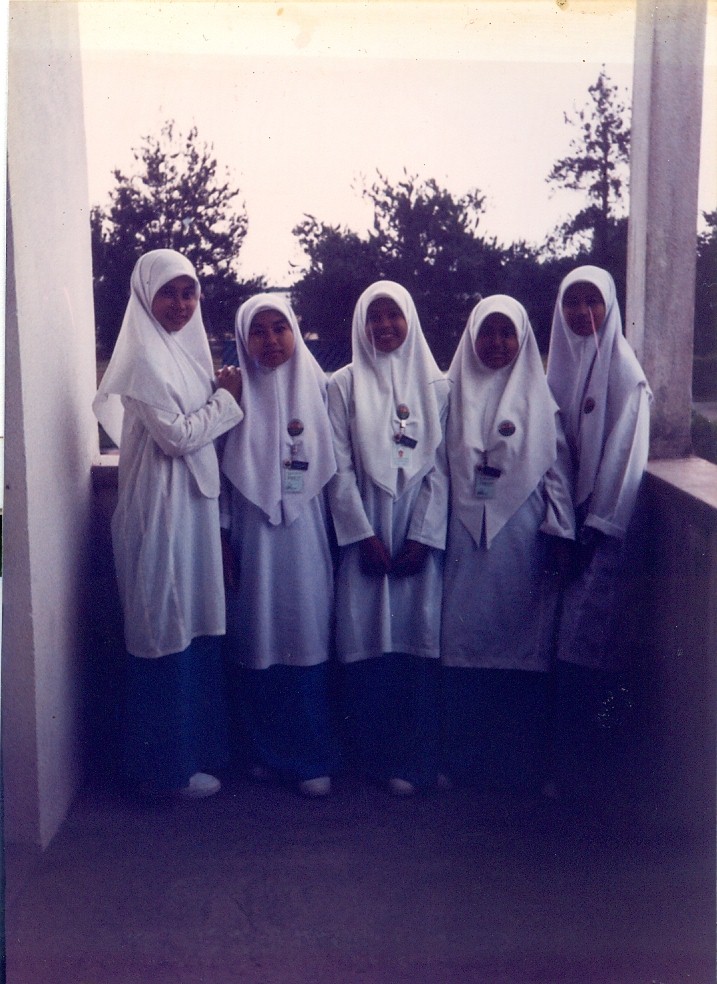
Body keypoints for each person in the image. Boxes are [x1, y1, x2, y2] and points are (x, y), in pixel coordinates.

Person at [93, 249, 243, 800]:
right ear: (144, 296)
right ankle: (162, 772)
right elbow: (177, 436)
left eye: (189, 293)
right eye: (168, 294)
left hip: (193, 509)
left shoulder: (187, 352)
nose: (180, 305)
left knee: (193, 622)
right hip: (158, 512)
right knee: (163, 625)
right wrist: (227, 401)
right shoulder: (142, 360)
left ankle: (192, 756)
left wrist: (218, 396)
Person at [441, 296, 575, 792]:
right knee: (461, 646)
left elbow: (558, 476)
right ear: (471, 336)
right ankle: (460, 760)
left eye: (506, 333)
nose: (496, 343)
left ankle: (519, 764)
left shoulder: (541, 400)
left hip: (523, 539)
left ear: (523, 339)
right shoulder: (449, 395)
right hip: (462, 541)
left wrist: (561, 532)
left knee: (521, 646)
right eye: (487, 332)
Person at [327, 281, 449, 795]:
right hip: (367, 536)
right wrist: (363, 535)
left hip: (416, 539)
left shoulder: (438, 387)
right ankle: (368, 760)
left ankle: (412, 759)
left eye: (392, 315)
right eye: (373, 316)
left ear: (410, 319)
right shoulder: (343, 385)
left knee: (416, 642)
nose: (383, 325)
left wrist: (423, 536)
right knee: (365, 641)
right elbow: (338, 468)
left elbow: (442, 469)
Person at [220, 294, 338, 798]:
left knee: (306, 635)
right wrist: (224, 538)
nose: (270, 340)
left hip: (308, 539)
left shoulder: (324, 390)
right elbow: (219, 480)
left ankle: (312, 757)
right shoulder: (232, 395)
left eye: (279, 328)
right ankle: (267, 754)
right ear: (243, 339)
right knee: (258, 638)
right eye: (258, 331)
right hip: (252, 538)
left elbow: (339, 469)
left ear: (295, 331)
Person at [546, 265, 651, 796]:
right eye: (573, 301)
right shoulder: (560, 367)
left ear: (610, 307)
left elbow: (623, 464)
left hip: (600, 537)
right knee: (562, 649)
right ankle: (563, 768)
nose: (583, 312)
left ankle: (579, 774)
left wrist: (591, 530)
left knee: (584, 653)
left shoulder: (626, 376)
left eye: (593, 301)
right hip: (565, 533)